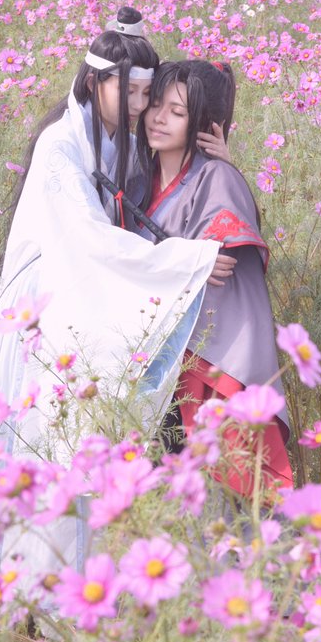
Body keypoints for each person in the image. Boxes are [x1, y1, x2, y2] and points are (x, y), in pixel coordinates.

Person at [0, 9, 233, 580]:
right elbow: (92, 239)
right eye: (132, 92)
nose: (141, 106)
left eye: (148, 93)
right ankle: (36, 592)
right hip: (41, 312)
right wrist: (189, 260)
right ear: (95, 82)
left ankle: (71, 588)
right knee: (42, 449)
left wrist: (219, 164)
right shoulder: (60, 145)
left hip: (76, 299)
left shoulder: (116, 139)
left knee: (75, 445)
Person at [128, 60, 293, 500]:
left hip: (194, 359)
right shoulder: (139, 179)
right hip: (146, 353)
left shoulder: (217, 178)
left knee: (197, 495)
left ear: (202, 122)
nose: (158, 118)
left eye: (177, 112)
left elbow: (222, 270)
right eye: (155, 104)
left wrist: (190, 261)